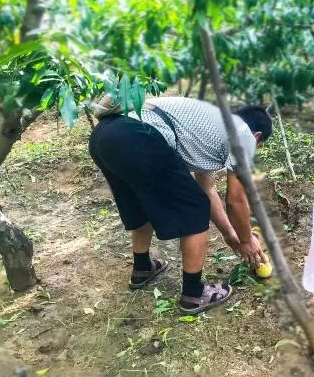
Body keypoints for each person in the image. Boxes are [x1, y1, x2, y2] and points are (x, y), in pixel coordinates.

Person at [89, 96, 272, 315]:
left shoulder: (211, 127)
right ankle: (194, 294)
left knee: (139, 202)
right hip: (140, 136)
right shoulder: (244, 135)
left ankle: (142, 269)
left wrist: (231, 236)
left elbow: (206, 188)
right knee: (195, 209)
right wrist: (246, 241)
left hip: (104, 136)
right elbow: (235, 200)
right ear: (257, 137)